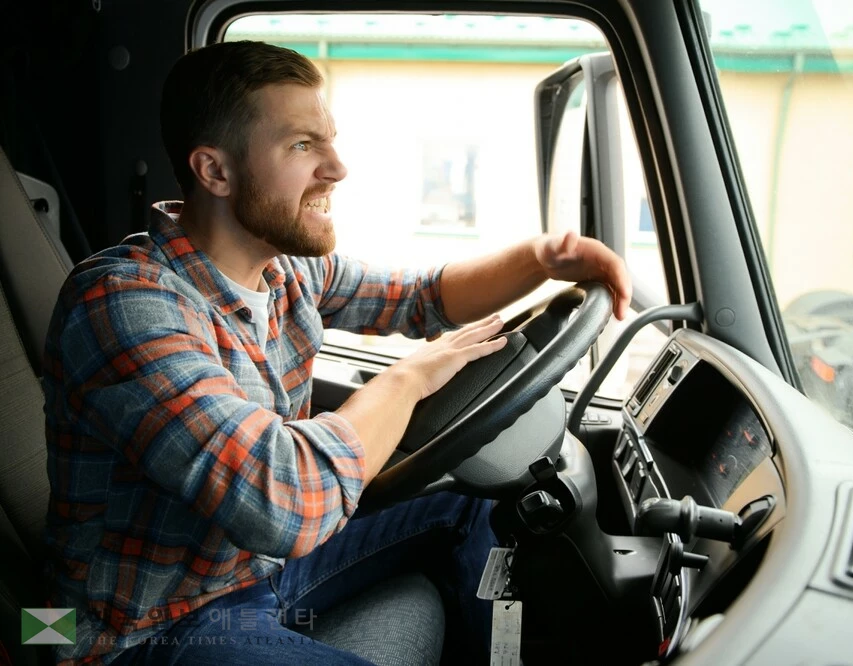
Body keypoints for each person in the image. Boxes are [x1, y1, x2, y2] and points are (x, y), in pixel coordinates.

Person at [41, 40, 631, 665]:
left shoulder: (284, 270)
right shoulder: (122, 305)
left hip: (255, 571)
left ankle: (498, 657)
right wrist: (405, 383)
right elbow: (285, 502)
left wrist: (544, 258)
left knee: (471, 496)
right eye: (302, 145)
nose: (338, 168)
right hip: (141, 629)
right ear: (215, 172)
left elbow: (422, 297)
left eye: (329, 140)